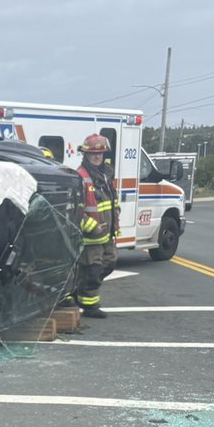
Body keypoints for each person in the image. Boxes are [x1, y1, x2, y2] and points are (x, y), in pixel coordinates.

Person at [74, 133, 119, 318]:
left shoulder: (105, 175)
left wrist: (114, 223)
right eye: (93, 154)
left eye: (100, 154)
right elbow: (74, 209)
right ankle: (89, 305)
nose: (97, 157)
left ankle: (78, 290)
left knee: (110, 263)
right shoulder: (80, 177)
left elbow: (112, 202)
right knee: (93, 270)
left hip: (107, 233)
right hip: (91, 235)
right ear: (85, 155)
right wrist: (90, 225)